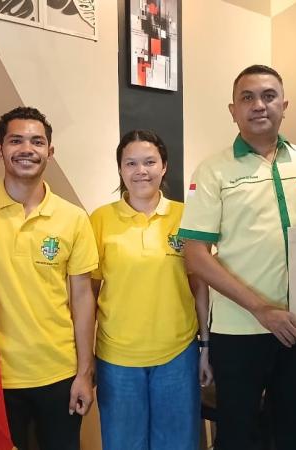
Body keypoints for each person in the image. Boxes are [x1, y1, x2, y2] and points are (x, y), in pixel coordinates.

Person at [178, 64, 296, 450]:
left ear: (284, 105)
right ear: (233, 110)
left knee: (294, 433)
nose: (259, 105)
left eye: (269, 96)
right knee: (238, 435)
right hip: (240, 329)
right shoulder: (213, 171)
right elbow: (196, 255)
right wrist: (262, 309)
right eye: (248, 97)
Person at [0, 106, 98, 450]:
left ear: (50, 151)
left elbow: (83, 298)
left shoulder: (73, 218)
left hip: (59, 372)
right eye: (16, 141)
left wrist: (84, 373)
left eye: (37, 142)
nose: (27, 149)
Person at [88, 129, 211, 450]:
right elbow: (89, 293)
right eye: (130, 163)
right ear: (120, 169)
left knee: (177, 444)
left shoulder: (186, 217)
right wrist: (85, 360)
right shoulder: (100, 220)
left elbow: (199, 285)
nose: (140, 170)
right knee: (123, 444)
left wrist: (205, 347)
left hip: (178, 355)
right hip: (116, 358)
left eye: (149, 162)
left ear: (164, 166)